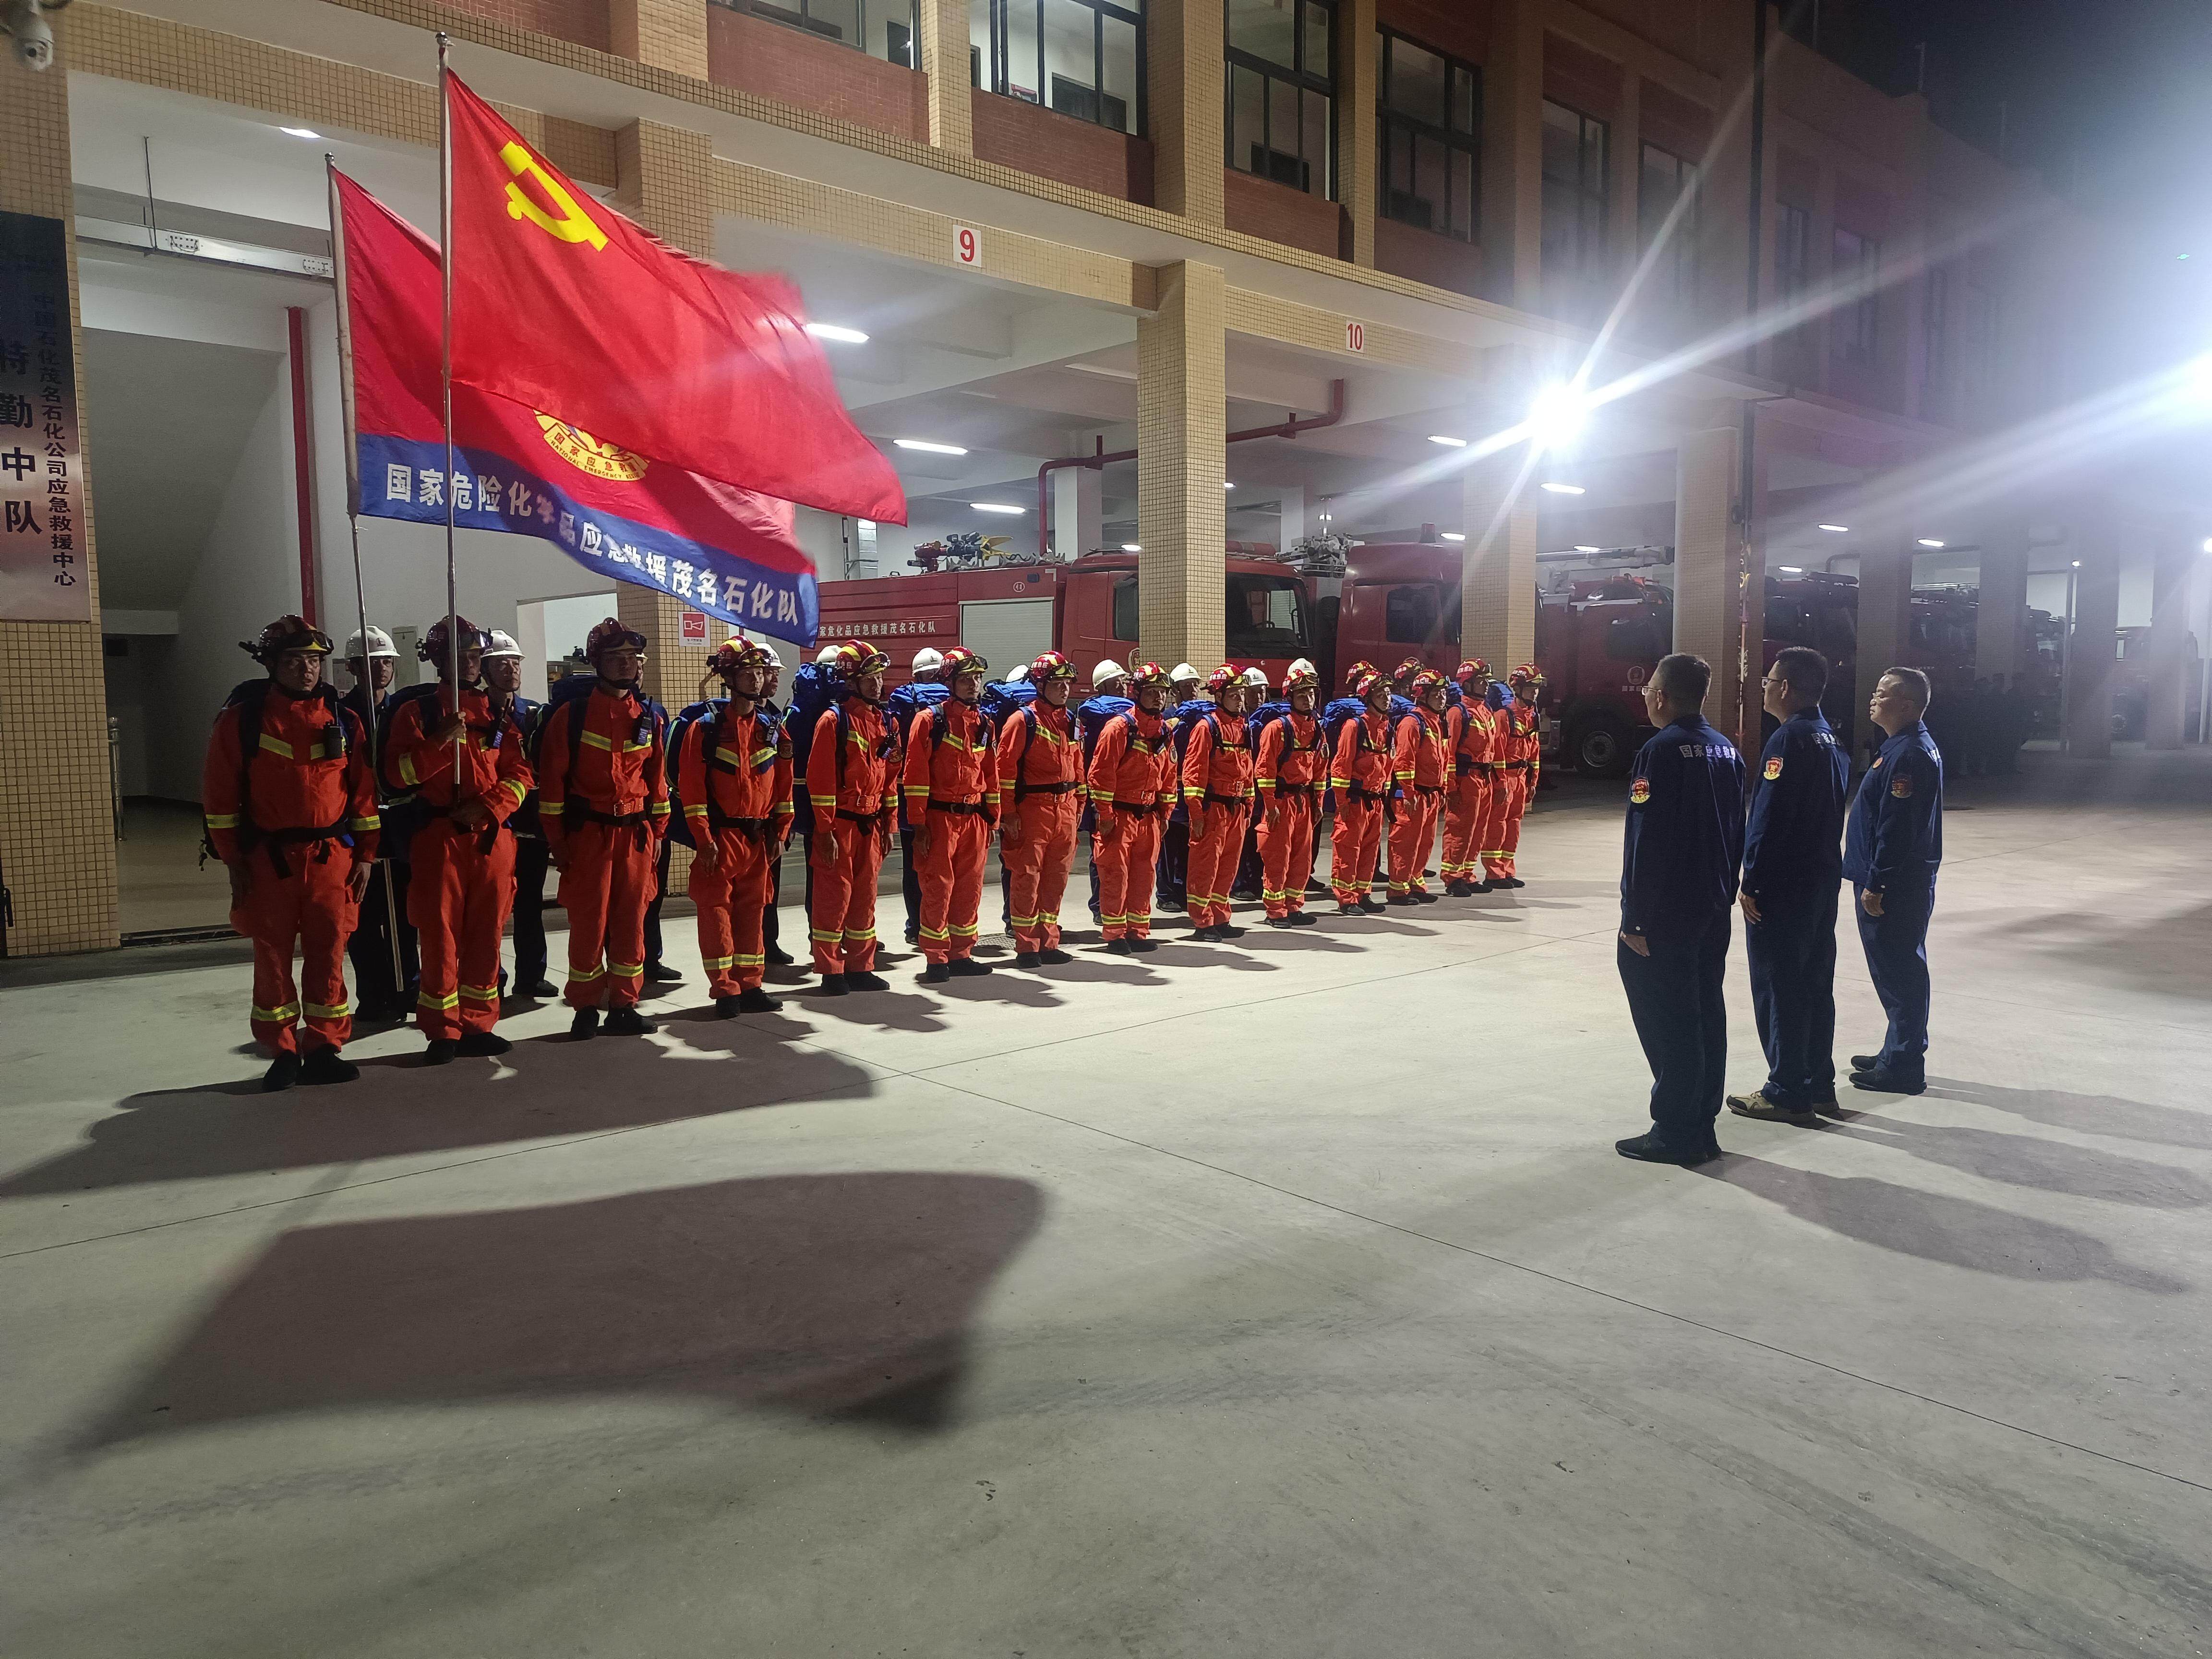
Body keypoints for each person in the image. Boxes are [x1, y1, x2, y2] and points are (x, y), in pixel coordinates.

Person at [202, 616, 378, 1090]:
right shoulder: (244, 719)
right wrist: (233, 859)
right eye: (295, 660)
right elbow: (219, 797)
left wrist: (366, 856)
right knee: (273, 958)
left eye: (315, 661)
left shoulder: (345, 719)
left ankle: (324, 1046)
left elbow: (362, 794)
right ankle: (280, 1050)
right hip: (268, 860)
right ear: (272, 665)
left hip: (331, 859)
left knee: (330, 955)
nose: (306, 669)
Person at [1614, 652, 1746, 1166]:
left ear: (1662, 696)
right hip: (1712, 905)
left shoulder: (1661, 751)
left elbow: (1647, 840)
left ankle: (1675, 1128)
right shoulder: (1725, 750)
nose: (1645, 694)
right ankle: (1701, 1121)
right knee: (1704, 1011)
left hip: (1665, 911)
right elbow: (1736, 827)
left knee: (1668, 1017)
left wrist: (1637, 916)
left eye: (1649, 687)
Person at [381, 617, 532, 1063]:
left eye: (473, 655)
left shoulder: (497, 713)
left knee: (487, 936)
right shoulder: (418, 713)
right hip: (439, 838)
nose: (469, 663)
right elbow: (397, 776)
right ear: (438, 661)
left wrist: (490, 807)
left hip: (490, 839)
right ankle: (443, 1030)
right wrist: (440, 742)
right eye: (459, 656)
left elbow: (521, 774)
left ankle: (478, 1023)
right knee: (440, 936)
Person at [1727, 647, 1850, 1126]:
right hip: (1820, 879)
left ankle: (1786, 1090)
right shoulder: (1829, 739)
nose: (1764, 688)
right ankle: (1818, 1084)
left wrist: (1752, 879)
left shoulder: (1787, 741)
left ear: (1784, 688)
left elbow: (1770, 818)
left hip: (1785, 883)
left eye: (1767, 681)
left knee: (1779, 984)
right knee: (1814, 982)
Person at [536, 617, 671, 1038]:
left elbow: (659, 782)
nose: (627, 665)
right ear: (597, 662)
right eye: (616, 658)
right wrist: (559, 845)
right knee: (589, 925)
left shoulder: (649, 715)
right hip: (588, 837)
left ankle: (624, 1006)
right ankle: (585, 1008)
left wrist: (659, 835)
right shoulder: (571, 717)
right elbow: (552, 788)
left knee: (632, 923)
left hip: (635, 837)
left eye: (633, 658)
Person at [678, 636, 793, 1016]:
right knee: (716, 912)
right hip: (721, 836)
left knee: (753, 911)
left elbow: (784, 784)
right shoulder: (706, 728)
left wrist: (782, 828)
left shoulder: (772, 728)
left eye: (760, 672)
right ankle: (725, 989)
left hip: (759, 838)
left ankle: (751, 984)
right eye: (747, 672)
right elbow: (692, 790)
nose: (756, 679)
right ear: (728, 676)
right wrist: (703, 838)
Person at [1843, 666, 1944, 1095]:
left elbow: (1898, 827)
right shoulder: (1901, 747)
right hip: (1896, 880)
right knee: (1897, 968)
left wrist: (1877, 882)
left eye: (1883, 693)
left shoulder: (1907, 754)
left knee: (1900, 971)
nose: (1873, 698)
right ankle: (1896, 1050)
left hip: (1894, 884)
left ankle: (1904, 1064)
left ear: (1906, 705)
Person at [806, 640, 901, 993]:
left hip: (872, 824)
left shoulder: (886, 721)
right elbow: (820, 782)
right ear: (851, 680)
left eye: (879, 676)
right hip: (841, 824)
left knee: (865, 897)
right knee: (835, 898)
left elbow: (891, 776)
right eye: (869, 677)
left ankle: (861, 966)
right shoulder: (833, 721)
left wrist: (889, 824)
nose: (877, 683)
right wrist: (824, 831)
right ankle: (831, 970)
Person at [903, 644, 997, 982]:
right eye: (966, 679)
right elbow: (914, 774)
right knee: (938, 888)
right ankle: (936, 959)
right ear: (950, 682)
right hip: (939, 818)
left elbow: (991, 772)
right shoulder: (929, 720)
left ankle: (961, 954)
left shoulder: (984, 722)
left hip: (974, 818)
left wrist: (992, 816)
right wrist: (918, 823)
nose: (974, 684)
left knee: (969, 888)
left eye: (977, 678)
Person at [339, 625, 414, 1022]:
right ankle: (374, 995)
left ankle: (408, 990)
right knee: (365, 920)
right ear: (353, 666)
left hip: (400, 823)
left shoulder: (405, 711)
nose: (382, 668)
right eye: (373, 661)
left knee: (406, 915)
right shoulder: (342, 714)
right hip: (356, 826)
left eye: (387, 661)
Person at [997, 650, 1083, 968]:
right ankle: (1026, 946)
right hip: (1033, 810)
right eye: (1057, 683)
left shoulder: (1071, 721)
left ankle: (1049, 941)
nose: (1064, 689)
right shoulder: (1022, 721)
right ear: (1040, 685)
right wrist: (1009, 815)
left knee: (1056, 878)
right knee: (1027, 878)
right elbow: (1004, 772)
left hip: (1065, 811)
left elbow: (1078, 767)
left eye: (1067, 683)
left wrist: (1079, 807)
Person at [481, 631, 555, 1001]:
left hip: (529, 826)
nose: (510, 670)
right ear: (485, 670)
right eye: (501, 663)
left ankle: (532, 974)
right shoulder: (475, 715)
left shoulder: (536, 714)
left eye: (515, 663)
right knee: (489, 909)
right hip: (489, 826)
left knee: (529, 903)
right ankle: (489, 976)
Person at [1088, 660, 1177, 954]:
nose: (1158, 697)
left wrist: (1165, 812)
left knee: (1144, 875)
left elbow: (1169, 776)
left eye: (1162, 692)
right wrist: (1105, 815)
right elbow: (1100, 774)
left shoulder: (1163, 731)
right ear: (1136, 693)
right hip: (1120, 815)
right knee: (1116, 876)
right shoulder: (1119, 728)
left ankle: (1138, 931)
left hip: (1149, 815)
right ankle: (1115, 934)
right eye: (1151, 691)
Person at [1181, 664, 1256, 940]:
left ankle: (1221, 917)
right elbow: (1193, 772)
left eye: (1242, 694)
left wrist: (1248, 804)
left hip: (1236, 808)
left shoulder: (1243, 727)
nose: (1240, 698)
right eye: (1234, 693)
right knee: (1206, 866)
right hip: (1213, 809)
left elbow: (1248, 769)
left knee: (1228, 866)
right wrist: (1196, 813)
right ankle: (1203, 923)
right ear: (1219, 695)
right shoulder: (1207, 727)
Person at [1254, 660, 1324, 927]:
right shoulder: (1277, 728)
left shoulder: (1316, 729)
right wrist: (1270, 805)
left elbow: (1320, 769)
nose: (1308, 699)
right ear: (1290, 697)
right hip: (1281, 802)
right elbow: (1265, 769)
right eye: (1301, 694)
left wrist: (1318, 803)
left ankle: (1294, 906)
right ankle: (1275, 911)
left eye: (1311, 694)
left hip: (1304, 801)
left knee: (1302, 856)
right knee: (1278, 856)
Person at [888, 646, 950, 944]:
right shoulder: (953, 701)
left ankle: (916, 925)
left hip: (911, 793)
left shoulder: (903, 699)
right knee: (949, 866)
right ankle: (942, 924)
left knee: (914, 864)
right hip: (950, 799)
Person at [1327, 671, 1394, 914]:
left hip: (1375, 801)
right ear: (1368, 698)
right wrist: (1342, 801)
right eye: (1380, 694)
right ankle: (1346, 899)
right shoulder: (1354, 727)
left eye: (1388, 693)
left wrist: (1384, 797)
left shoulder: (1386, 727)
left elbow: (1387, 765)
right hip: (1355, 800)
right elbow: (1341, 764)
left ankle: (1363, 894)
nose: (1387, 698)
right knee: (1348, 848)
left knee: (1369, 850)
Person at [1077, 659, 1133, 926]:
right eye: (1117, 682)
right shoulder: (1118, 717)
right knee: (1104, 852)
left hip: (1110, 792)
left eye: (1124, 681)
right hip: (1105, 793)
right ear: (1102, 687)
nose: (1123, 686)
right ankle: (1103, 906)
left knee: (1104, 852)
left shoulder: (1088, 715)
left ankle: (1107, 907)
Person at [1386, 669, 1449, 904]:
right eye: (1436, 693)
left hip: (1431, 794)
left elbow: (1443, 759)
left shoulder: (1437, 722)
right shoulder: (1412, 723)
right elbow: (1404, 760)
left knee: (1425, 842)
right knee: (1405, 843)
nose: (1442, 698)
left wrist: (1443, 788)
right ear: (1422, 695)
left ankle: (1415, 882)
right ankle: (1397, 890)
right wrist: (1409, 792)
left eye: (1443, 693)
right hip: (1412, 796)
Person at [1442, 659, 1503, 895]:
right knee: (1460, 828)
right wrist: (1452, 787)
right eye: (1480, 681)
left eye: (1486, 681)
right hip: (1466, 779)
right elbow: (1449, 752)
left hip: (1485, 779)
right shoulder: (1458, 712)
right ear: (1467, 684)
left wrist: (1499, 783)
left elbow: (1494, 750)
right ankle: (1452, 877)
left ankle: (1468, 874)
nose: (1485, 686)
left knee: (1479, 829)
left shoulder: (1486, 711)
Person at [1487, 665, 1543, 888]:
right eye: (1531, 687)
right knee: (1498, 824)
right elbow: (1497, 752)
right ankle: (1493, 872)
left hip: (1521, 778)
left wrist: (1532, 781)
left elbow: (1535, 751)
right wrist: (1500, 782)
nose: (1535, 692)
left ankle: (1508, 870)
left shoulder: (1531, 716)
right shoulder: (1503, 716)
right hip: (1506, 777)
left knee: (1514, 824)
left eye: (1537, 688)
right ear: (1518, 689)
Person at [1156, 662, 1207, 912]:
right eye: (1187, 686)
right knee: (1168, 847)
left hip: (1194, 792)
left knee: (1190, 846)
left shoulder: (1202, 720)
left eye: (1195, 685)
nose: (1193, 689)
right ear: (1175, 690)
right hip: (1171, 789)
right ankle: (1166, 894)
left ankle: (1185, 891)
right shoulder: (1167, 719)